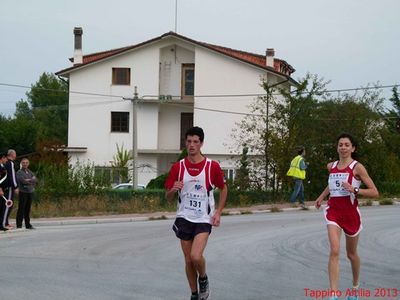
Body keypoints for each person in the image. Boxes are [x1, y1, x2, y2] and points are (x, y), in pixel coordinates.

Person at [165, 126, 228, 300]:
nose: (192, 145)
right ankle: (194, 294)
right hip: (184, 216)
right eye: (189, 141)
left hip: (203, 218)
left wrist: (218, 212)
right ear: (185, 143)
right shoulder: (178, 167)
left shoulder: (211, 166)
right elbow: (168, 197)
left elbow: (223, 189)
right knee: (188, 261)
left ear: (201, 144)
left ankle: (204, 278)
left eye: (195, 142)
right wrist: (172, 189)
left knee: (195, 256)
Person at [315, 133, 379, 300]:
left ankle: (355, 287)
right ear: (337, 147)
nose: (343, 147)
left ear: (353, 148)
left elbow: (374, 192)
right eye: (340, 144)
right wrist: (322, 196)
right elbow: (332, 184)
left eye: (346, 145)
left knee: (351, 254)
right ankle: (334, 294)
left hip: (351, 214)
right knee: (334, 250)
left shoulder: (357, 167)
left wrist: (355, 189)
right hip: (333, 212)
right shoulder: (331, 166)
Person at [16, 158, 37, 229]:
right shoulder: (19, 172)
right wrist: (31, 181)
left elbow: (35, 180)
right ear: (21, 164)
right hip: (23, 192)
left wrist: (29, 180)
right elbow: (22, 181)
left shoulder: (30, 171)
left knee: (28, 209)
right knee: (21, 209)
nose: (25, 164)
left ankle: (28, 225)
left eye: (26, 162)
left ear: (28, 164)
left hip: (30, 192)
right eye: (23, 162)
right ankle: (19, 225)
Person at [4, 149, 18, 229]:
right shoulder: (10, 163)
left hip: (4, 187)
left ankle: (5, 222)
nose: (15, 156)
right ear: (12, 154)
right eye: (15, 154)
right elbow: (12, 176)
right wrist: (15, 187)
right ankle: (5, 223)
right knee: (8, 205)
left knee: (5, 205)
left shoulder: (5, 163)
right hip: (9, 187)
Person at [0, 152, 9, 231]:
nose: (6, 160)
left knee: (2, 208)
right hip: (0, 191)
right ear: (2, 158)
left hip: (4, 190)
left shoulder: (2, 166)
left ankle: (0, 225)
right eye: (6, 158)